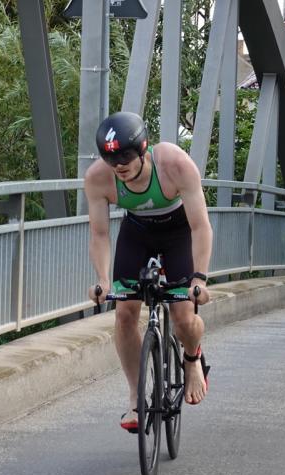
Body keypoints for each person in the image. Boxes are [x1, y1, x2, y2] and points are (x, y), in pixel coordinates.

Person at [84, 111, 213, 432]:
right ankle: (135, 397)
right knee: (125, 313)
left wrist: (199, 278)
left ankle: (192, 358)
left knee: (183, 318)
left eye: (126, 156)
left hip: (178, 232)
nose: (119, 166)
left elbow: (200, 226)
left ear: (143, 149)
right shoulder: (98, 177)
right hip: (137, 233)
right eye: (111, 159)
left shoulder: (174, 163)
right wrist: (102, 280)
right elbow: (99, 233)